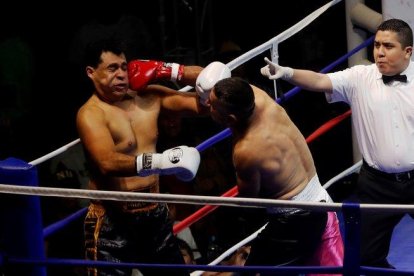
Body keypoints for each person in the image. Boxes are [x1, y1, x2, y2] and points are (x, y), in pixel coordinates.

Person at [260, 18, 414, 269]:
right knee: (365, 257)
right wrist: (287, 73)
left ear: (408, 51)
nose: (380, 52)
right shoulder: (360, 77)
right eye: (376, 45)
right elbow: (320, 81)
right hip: (377, 184)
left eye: (388, 46)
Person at [195, 63, 344, 274]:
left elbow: (250, 199)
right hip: (322, 203)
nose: (207, 107)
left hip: (296, 220)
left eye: (211, 106)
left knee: (257, 271)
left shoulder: (246, 150)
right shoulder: (257, 95)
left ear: (231, 119)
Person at [76, 37, 206, 276]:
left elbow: (208, 101)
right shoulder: (91, 114)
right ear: (91, 73)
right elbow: (106, 162)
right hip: (112, 218)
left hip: (154, 211)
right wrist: (161, 162)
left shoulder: (149, 97)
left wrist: (170, 70)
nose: (121, 75)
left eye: (124, 67)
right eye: (112, 68)